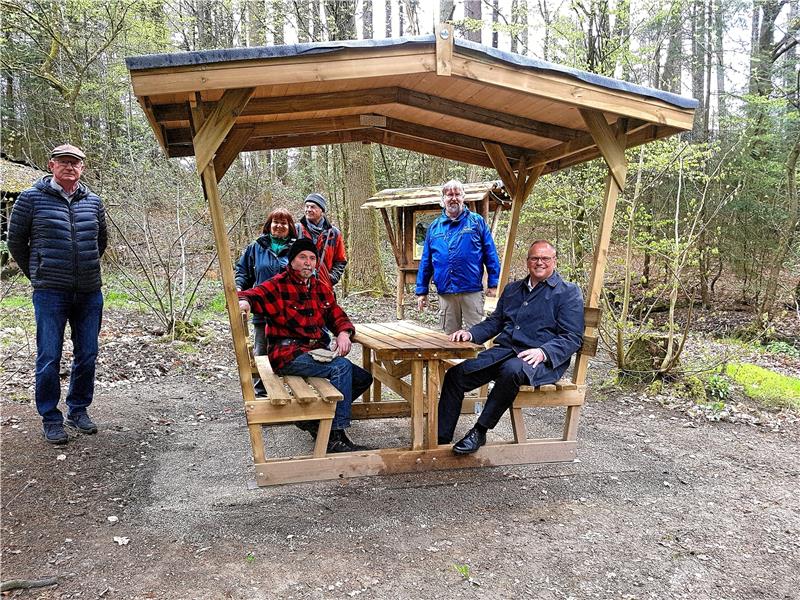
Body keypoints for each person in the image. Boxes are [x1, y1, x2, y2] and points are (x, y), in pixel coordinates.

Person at [438, 240, 584, 454]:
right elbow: (495, 321)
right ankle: (440, 439)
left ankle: (479, 431)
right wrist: (471, 333)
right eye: (535, 258)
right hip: (504, 353)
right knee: (456, 375)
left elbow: (572, 337)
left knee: (511, 370)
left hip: (540, 361)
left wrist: (544, 352)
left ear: (554, 261)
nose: (540, 262)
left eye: (545, 258)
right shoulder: (514, 289)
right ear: (527, 262)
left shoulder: (567, 292)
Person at [7, 144, 107, 445]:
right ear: (51, 165)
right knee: (49, 356)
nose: (69, 167)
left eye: (75, 162)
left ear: (82, 168)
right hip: (50, 292)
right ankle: (50, 417)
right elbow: (15, 243)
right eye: (63, 162)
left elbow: (100, 242)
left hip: (89, 292)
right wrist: (39, 273)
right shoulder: (30, 199)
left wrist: (83, 271)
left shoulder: (93, 202)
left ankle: (78, 410)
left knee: (87, 354)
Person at [237, 237, 372, 453]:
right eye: (302, 257)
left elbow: (336, 315)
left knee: (363, 378)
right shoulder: (277, 285)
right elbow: (248, 296)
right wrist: (244, 302)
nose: (308, 262)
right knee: (341, 367)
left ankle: (314, 421)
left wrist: (344, 332)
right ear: (291, 261)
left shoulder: (320, 288)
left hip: (313, 352)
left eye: (312, 258)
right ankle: (334, 436)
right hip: (287, 354)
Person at [415, 179, 501, 334]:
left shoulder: (476, 222)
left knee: (476, 337)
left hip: (471, 290)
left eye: (457, 194)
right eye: (449, 195)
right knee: (448, 339)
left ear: (463, 197)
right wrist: (422, 291)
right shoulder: (434, 227)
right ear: (443, 199)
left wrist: (494, 284)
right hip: (446, 292)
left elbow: (491, 253)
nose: (453, 198)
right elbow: (426, 261)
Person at [235, 207, 296, 396]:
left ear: (290, 227)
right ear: (269, 225)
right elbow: (243, 272)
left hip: (290, 312)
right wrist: (239, 291)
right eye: (275, 222)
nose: (279, 226)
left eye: (283, 223)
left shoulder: (297, 248)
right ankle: (261, 392)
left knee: (290, 351)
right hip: (262, 311)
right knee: (262, 352)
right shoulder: (256, 247)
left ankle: (291, 391)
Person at [295, 193, 347, 290]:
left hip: (324, 287)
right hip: (299, 286)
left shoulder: (334, 234)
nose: (308, 210)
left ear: (322, 211)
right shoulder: (296, 230)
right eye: (307, 206)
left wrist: (331, 278)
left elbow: (340, 260)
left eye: (313, 207)